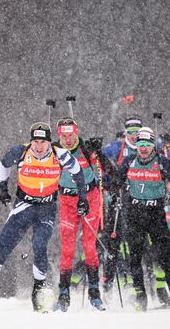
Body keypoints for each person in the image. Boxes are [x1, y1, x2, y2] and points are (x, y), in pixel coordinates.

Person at [0, 122, 89, 312]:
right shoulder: (21, 152)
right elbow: (3, 164)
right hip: (23, 207)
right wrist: (2, 188)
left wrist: (83, 199)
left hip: (46, 208)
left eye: (43, 142)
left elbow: (78, 173)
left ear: (49, 142)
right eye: (35, 141)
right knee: (3, 249)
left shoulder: (59, 154)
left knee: (39, 245)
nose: (38, 146)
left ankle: (37, 292)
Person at [100, 116, 170, 295]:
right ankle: (121, 287)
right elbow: (102, 161)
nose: (133, 137)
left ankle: (164, 289)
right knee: (121, 247)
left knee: (159, 253)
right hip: (128, 206)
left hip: (154, 209)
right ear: (125, 134)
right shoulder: (119, 148)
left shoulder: (155, 146)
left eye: (136, 133)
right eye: (130, 133)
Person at [118, 126, 170, 312]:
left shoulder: (163, 163)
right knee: (135, 258)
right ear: (136, 145)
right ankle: (141, 296)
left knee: (164, 258)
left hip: (156, 214)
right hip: (135, 214)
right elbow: (115, 180)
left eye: (148, 144)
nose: (144, 148)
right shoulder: (129, 161)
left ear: (153, 146)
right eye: (141, 144)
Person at [53, 117, 116, 312]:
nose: (68, 139)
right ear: (59, 135)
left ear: (77, 132)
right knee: (67, 248)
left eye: (70, 135)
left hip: (90, 199)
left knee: (89, 246)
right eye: (64, 136)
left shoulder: (87, 149)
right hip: (67, 201)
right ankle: (63, 294)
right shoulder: (55, 150)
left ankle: (94, 293)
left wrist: (99, 153)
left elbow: (111, 172)